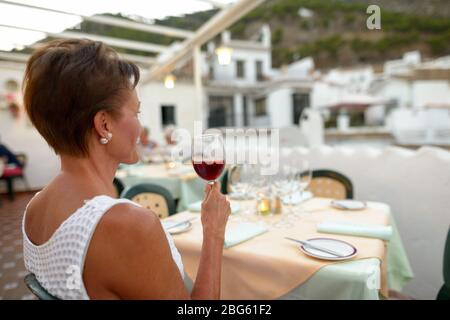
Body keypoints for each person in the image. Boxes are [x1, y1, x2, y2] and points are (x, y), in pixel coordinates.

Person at [21, 39, 231, 299]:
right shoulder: (128, 226)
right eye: (136, 113)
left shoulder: (34, 209)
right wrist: (214, 231)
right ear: (104, 125)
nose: (140, 129)